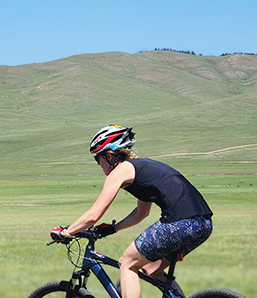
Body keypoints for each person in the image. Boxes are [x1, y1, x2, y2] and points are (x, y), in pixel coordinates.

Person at [50, 125, 213, 298]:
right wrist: (113, 228)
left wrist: (66, 232)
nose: (98, 164)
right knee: (151, 270)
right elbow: (140, 213)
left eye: (98, 159)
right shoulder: (141, 170)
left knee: (127, 262)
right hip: (203, 223)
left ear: (109, 155)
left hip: (179, 223)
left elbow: (93, 216)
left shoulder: (120, 171)